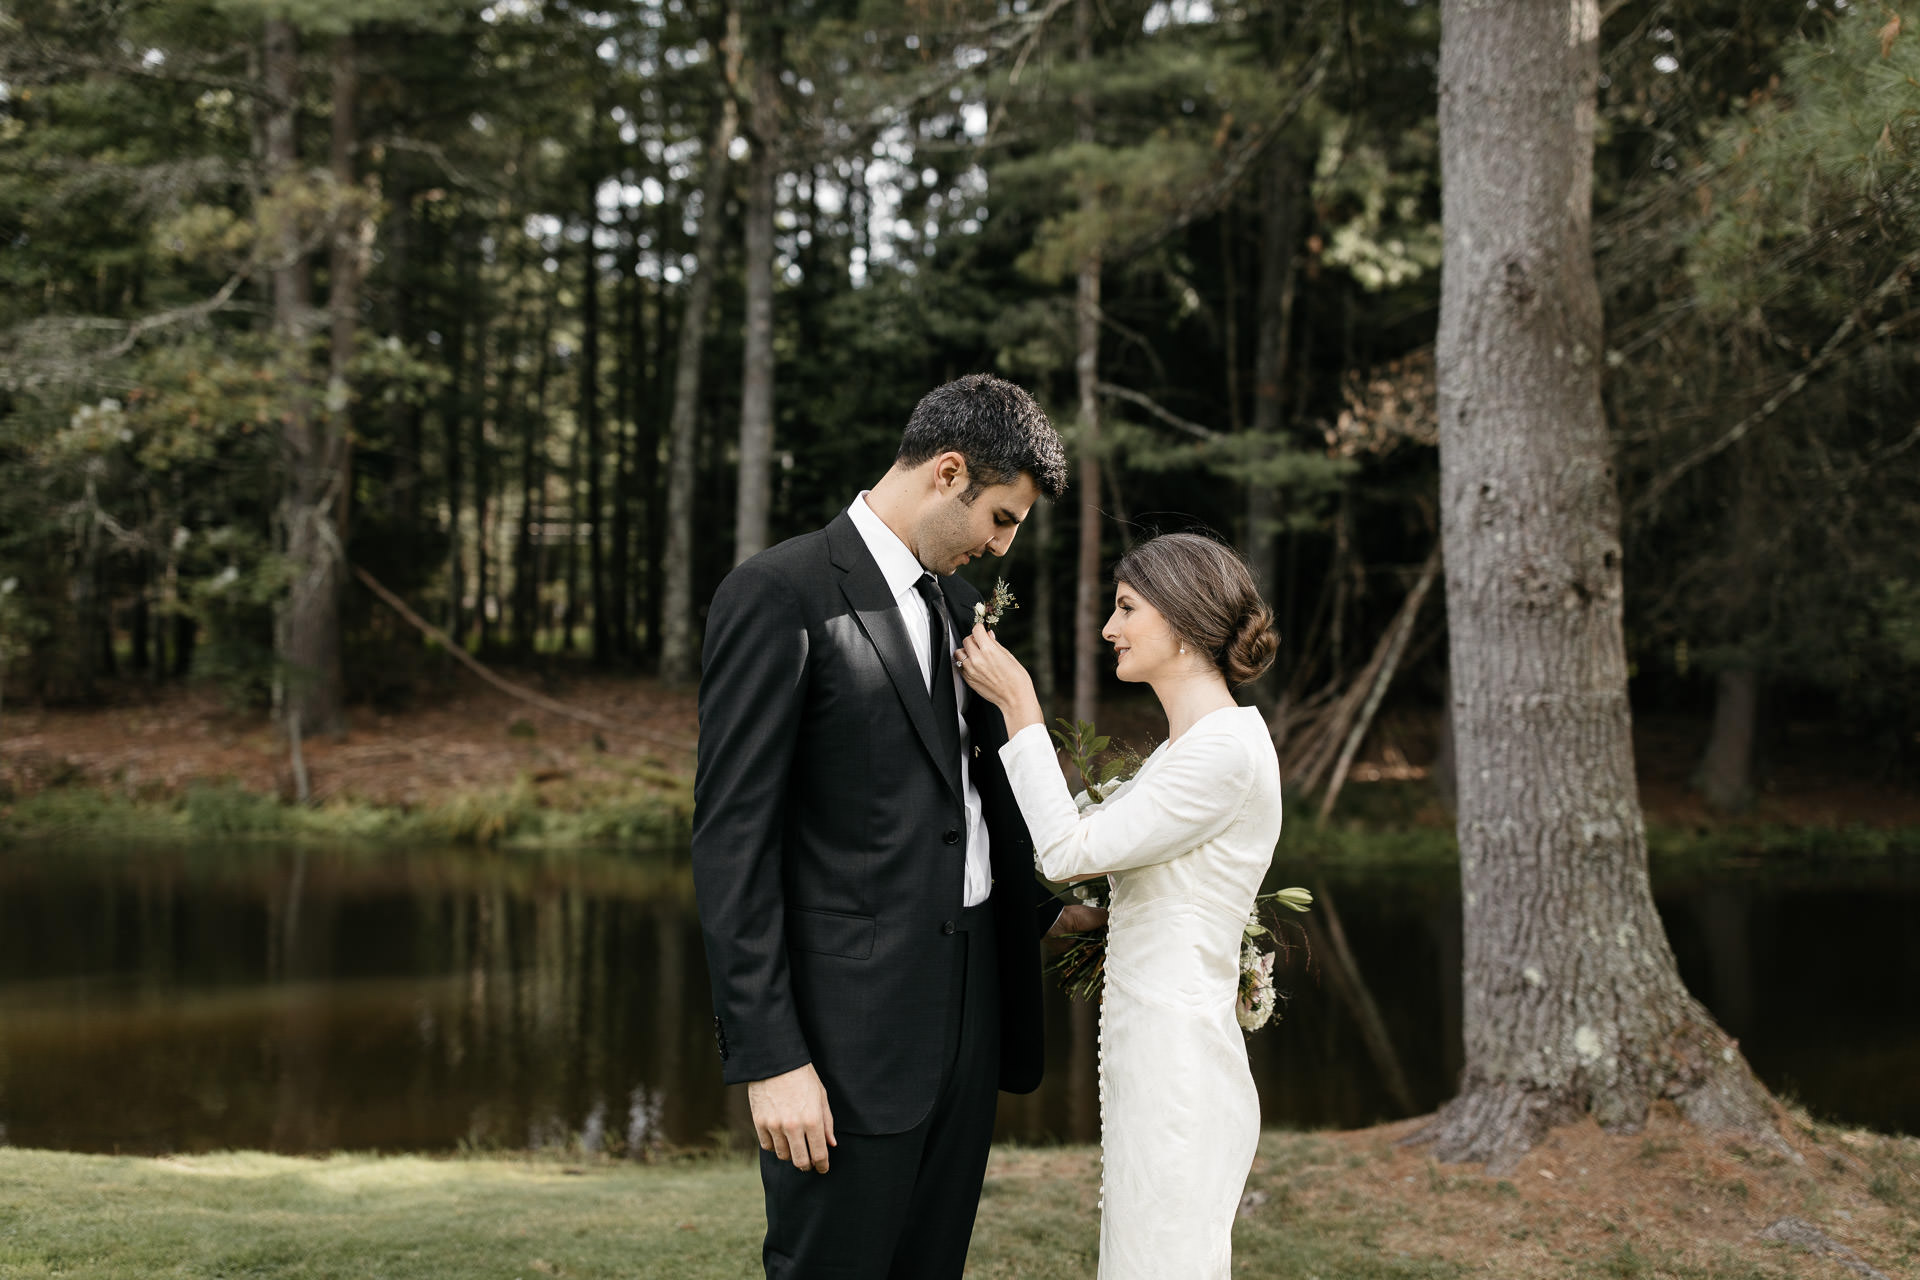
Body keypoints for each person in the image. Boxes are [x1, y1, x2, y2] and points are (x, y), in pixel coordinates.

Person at [690, 373, 1099, 1279]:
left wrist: (1051, 908)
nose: (1001, 547)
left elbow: (961, 814)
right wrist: (772, 1057)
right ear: (948, 472)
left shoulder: (956, 611)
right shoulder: (780, 594)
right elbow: (732, 842)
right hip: (844, 1041)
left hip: (968, 1019)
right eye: (1002, 518)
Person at [954, 531, 1284, 1280]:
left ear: (1183, 620)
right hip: (1155, 1052)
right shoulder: (1186, 749)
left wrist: (1020, 707)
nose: (1110, 627)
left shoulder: (1223, 752)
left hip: (1179, 1068)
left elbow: (1067, 851)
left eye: (1127, 608)